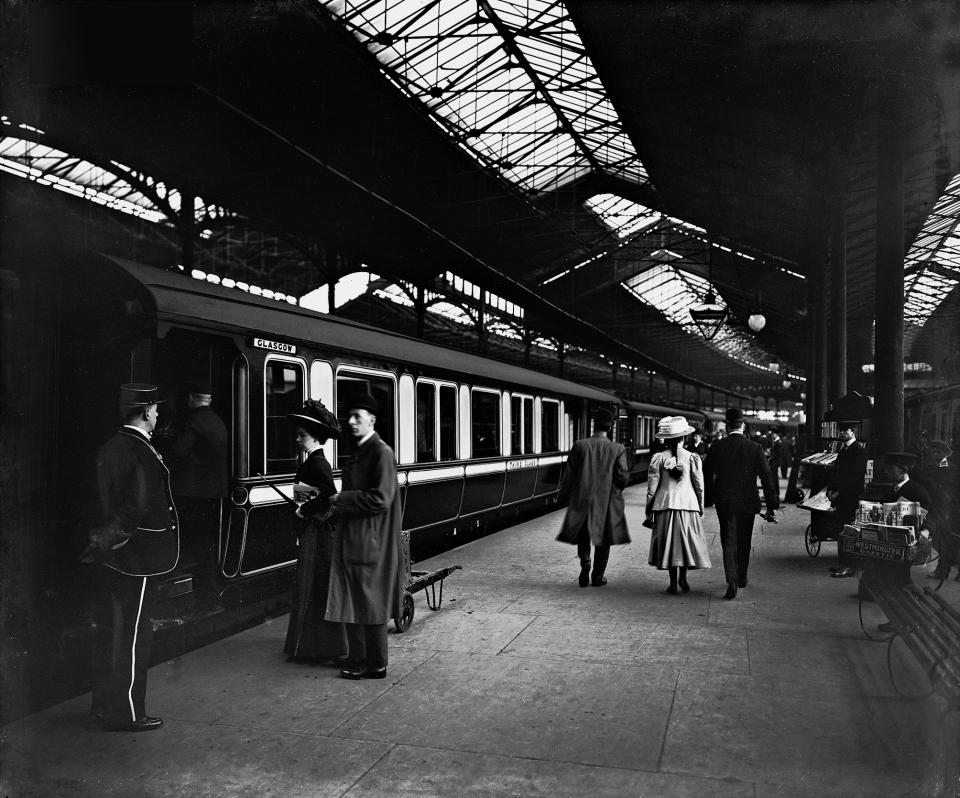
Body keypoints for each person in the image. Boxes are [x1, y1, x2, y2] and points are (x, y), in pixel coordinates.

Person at [83, 383, 180, 732]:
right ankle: (126, 712)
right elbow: (134, 509)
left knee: (109, 629)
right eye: (155, 409)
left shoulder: (110, 446)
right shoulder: (140, 450)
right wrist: (115, 541)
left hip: (111, 556)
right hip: (136, 557)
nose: (158, 414)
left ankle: (102, 706)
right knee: (133, 635)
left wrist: (100, 546)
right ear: (144, 411)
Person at [326, 394, 402, 680]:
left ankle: (375, 663)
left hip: (369, 539)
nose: (351, 421)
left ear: (372, 419)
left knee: (368, 601)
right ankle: (361, 658)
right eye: (350, 416)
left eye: (358, 416)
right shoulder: (362, 450)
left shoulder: (380, 452)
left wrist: (342, 498)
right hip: (357, 536)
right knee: (356, 598)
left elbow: (381, 498)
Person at [283, 400, 348, 664]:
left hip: (318, 534)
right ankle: (312, 646)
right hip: (315, 531)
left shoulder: (318, 463)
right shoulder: (315, 460)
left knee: (315, 584)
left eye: (303, 435)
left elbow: (329, 495)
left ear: (316, 437)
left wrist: (303, 510)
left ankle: (319, 647)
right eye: (298, 435)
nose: (298, 439)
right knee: (313, 584)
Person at [159, 381, 228, 610]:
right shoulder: (217, 422)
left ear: (190, 398)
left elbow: (177, 453)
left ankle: (203, 599)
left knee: (194, 545)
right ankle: (208, 598)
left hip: (192, 494)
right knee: (204, 545)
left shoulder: (193, 421)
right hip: (211, 494)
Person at [703, 407, 779, 599]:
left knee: (728, 541)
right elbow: (767, 477)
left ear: (727, 426)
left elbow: (706, 475)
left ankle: (732, 581)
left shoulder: (717, 447)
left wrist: (710, 498)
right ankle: (742, 577)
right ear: (743, 425)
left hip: (725, 502)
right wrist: (772, 506)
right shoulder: (755, 448)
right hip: (747, 502)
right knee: (744, 541)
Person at [555, 407, 631, 587]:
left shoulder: (580, 445)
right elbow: (623, 477)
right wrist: (615, 491)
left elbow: (569, 476)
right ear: (611, 427)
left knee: (583, 536)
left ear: (593, 425)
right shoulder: (617, 448)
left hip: (582, 500)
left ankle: (585, 561)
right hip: (606, 503)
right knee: (603, 540)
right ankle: (598, 577)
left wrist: (565, 497)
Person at [646, 416, 711, 593]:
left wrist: (648, 511)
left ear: (667, 439)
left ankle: (673, 583)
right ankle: (683, 579)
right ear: (684, 437)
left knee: (669, 544)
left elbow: (651, 489)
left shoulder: (658, 458)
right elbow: (700, 486)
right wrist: (701, 506)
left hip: (664, 506)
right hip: (688, 506)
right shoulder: (692, 458)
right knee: (684, 544)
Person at [826, 421, 868, 579]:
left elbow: (854, 477)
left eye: (845, 431)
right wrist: (830, 491)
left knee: (848, 531)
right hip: (840, 496)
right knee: (840, 529)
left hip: (850, 497)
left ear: (853, 432)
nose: (841, 433)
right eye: (840, 431)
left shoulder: (859, 451)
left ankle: (849, 566)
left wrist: (839, 493)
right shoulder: (843, 450)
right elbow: (836, 472)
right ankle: (843, 562)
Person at [917, 440, 959, 582]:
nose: (935, 454)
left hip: (950, 510)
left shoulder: (952, 470)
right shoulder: (930, 468)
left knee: (948, 541)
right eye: (933, 452)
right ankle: (943, 570)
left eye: (938, 452)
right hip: (936, 508)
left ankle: (943, 571)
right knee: (941, 541)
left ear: (946, 453)